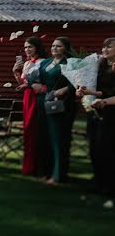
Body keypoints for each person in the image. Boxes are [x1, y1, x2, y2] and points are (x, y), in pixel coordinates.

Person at [36, 37, 77, 185]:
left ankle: (58, 174)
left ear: (65, 48)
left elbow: (78, 83)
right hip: (44, 103)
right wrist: (34, 83)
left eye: (58, 46)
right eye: (53, 46)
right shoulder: (46, 62)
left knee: (58, 139)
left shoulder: (70, 63)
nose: (54, 48)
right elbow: (36, 77)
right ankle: (45, 171)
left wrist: (66, 89)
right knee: (44, 138)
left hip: (62, 105)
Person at [77, 38, 115, 196]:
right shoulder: (101, 65)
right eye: (103, 47)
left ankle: (109, 183)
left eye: (109, 47)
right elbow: (98, 89)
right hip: (96, 109)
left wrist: (103, 101)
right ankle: (98, 180)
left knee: (108, 148)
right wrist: (83, 91)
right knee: (94, 147)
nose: (105, 49)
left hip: (112, 112)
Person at [13, 37, 49, 178]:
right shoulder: (27, 63)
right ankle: (28, 165)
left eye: (30, 47)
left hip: (38, 98)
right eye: (26, 47)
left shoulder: (44, 62)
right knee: (28, 131)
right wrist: (16, 73)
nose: (27, 50)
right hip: (27, 97)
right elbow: (23, 83)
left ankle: (39, 166)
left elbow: (46, 82)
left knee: (37, 131)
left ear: (37, 48)